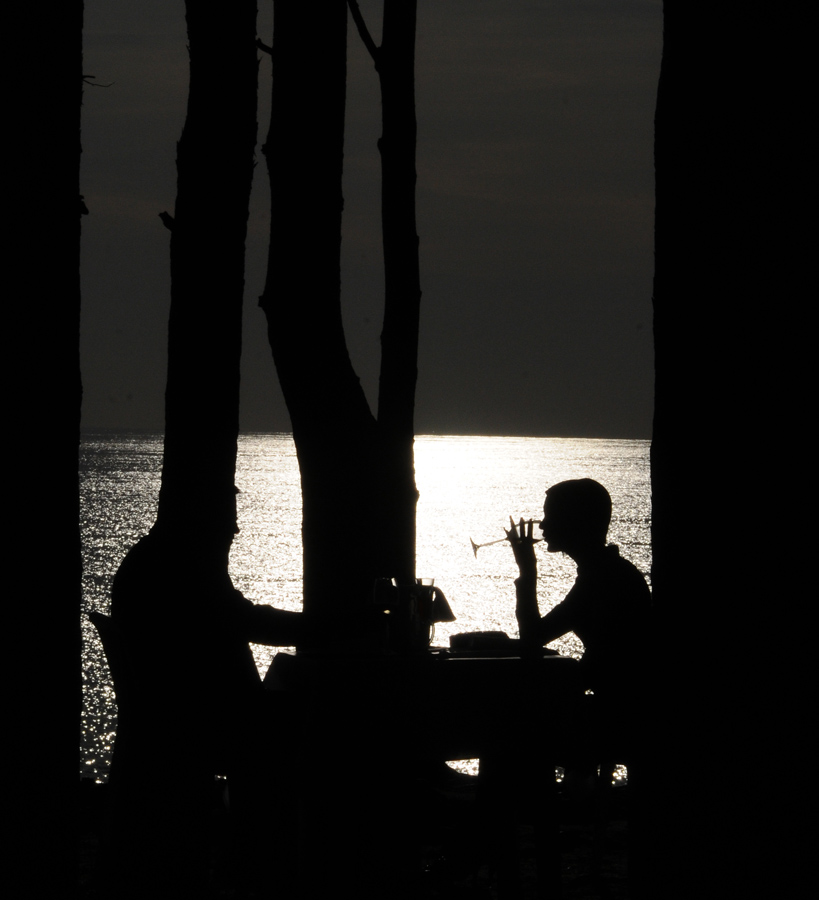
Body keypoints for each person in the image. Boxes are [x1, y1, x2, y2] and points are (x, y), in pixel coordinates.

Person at [506, 478, 651, 754]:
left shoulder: (601, 579)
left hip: (619, 716)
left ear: (576, 522)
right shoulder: (608, 571)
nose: (542, 525)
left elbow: (533, 636)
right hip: (624, 709)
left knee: (516, 723)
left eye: (551, 516)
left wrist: (528, 571)